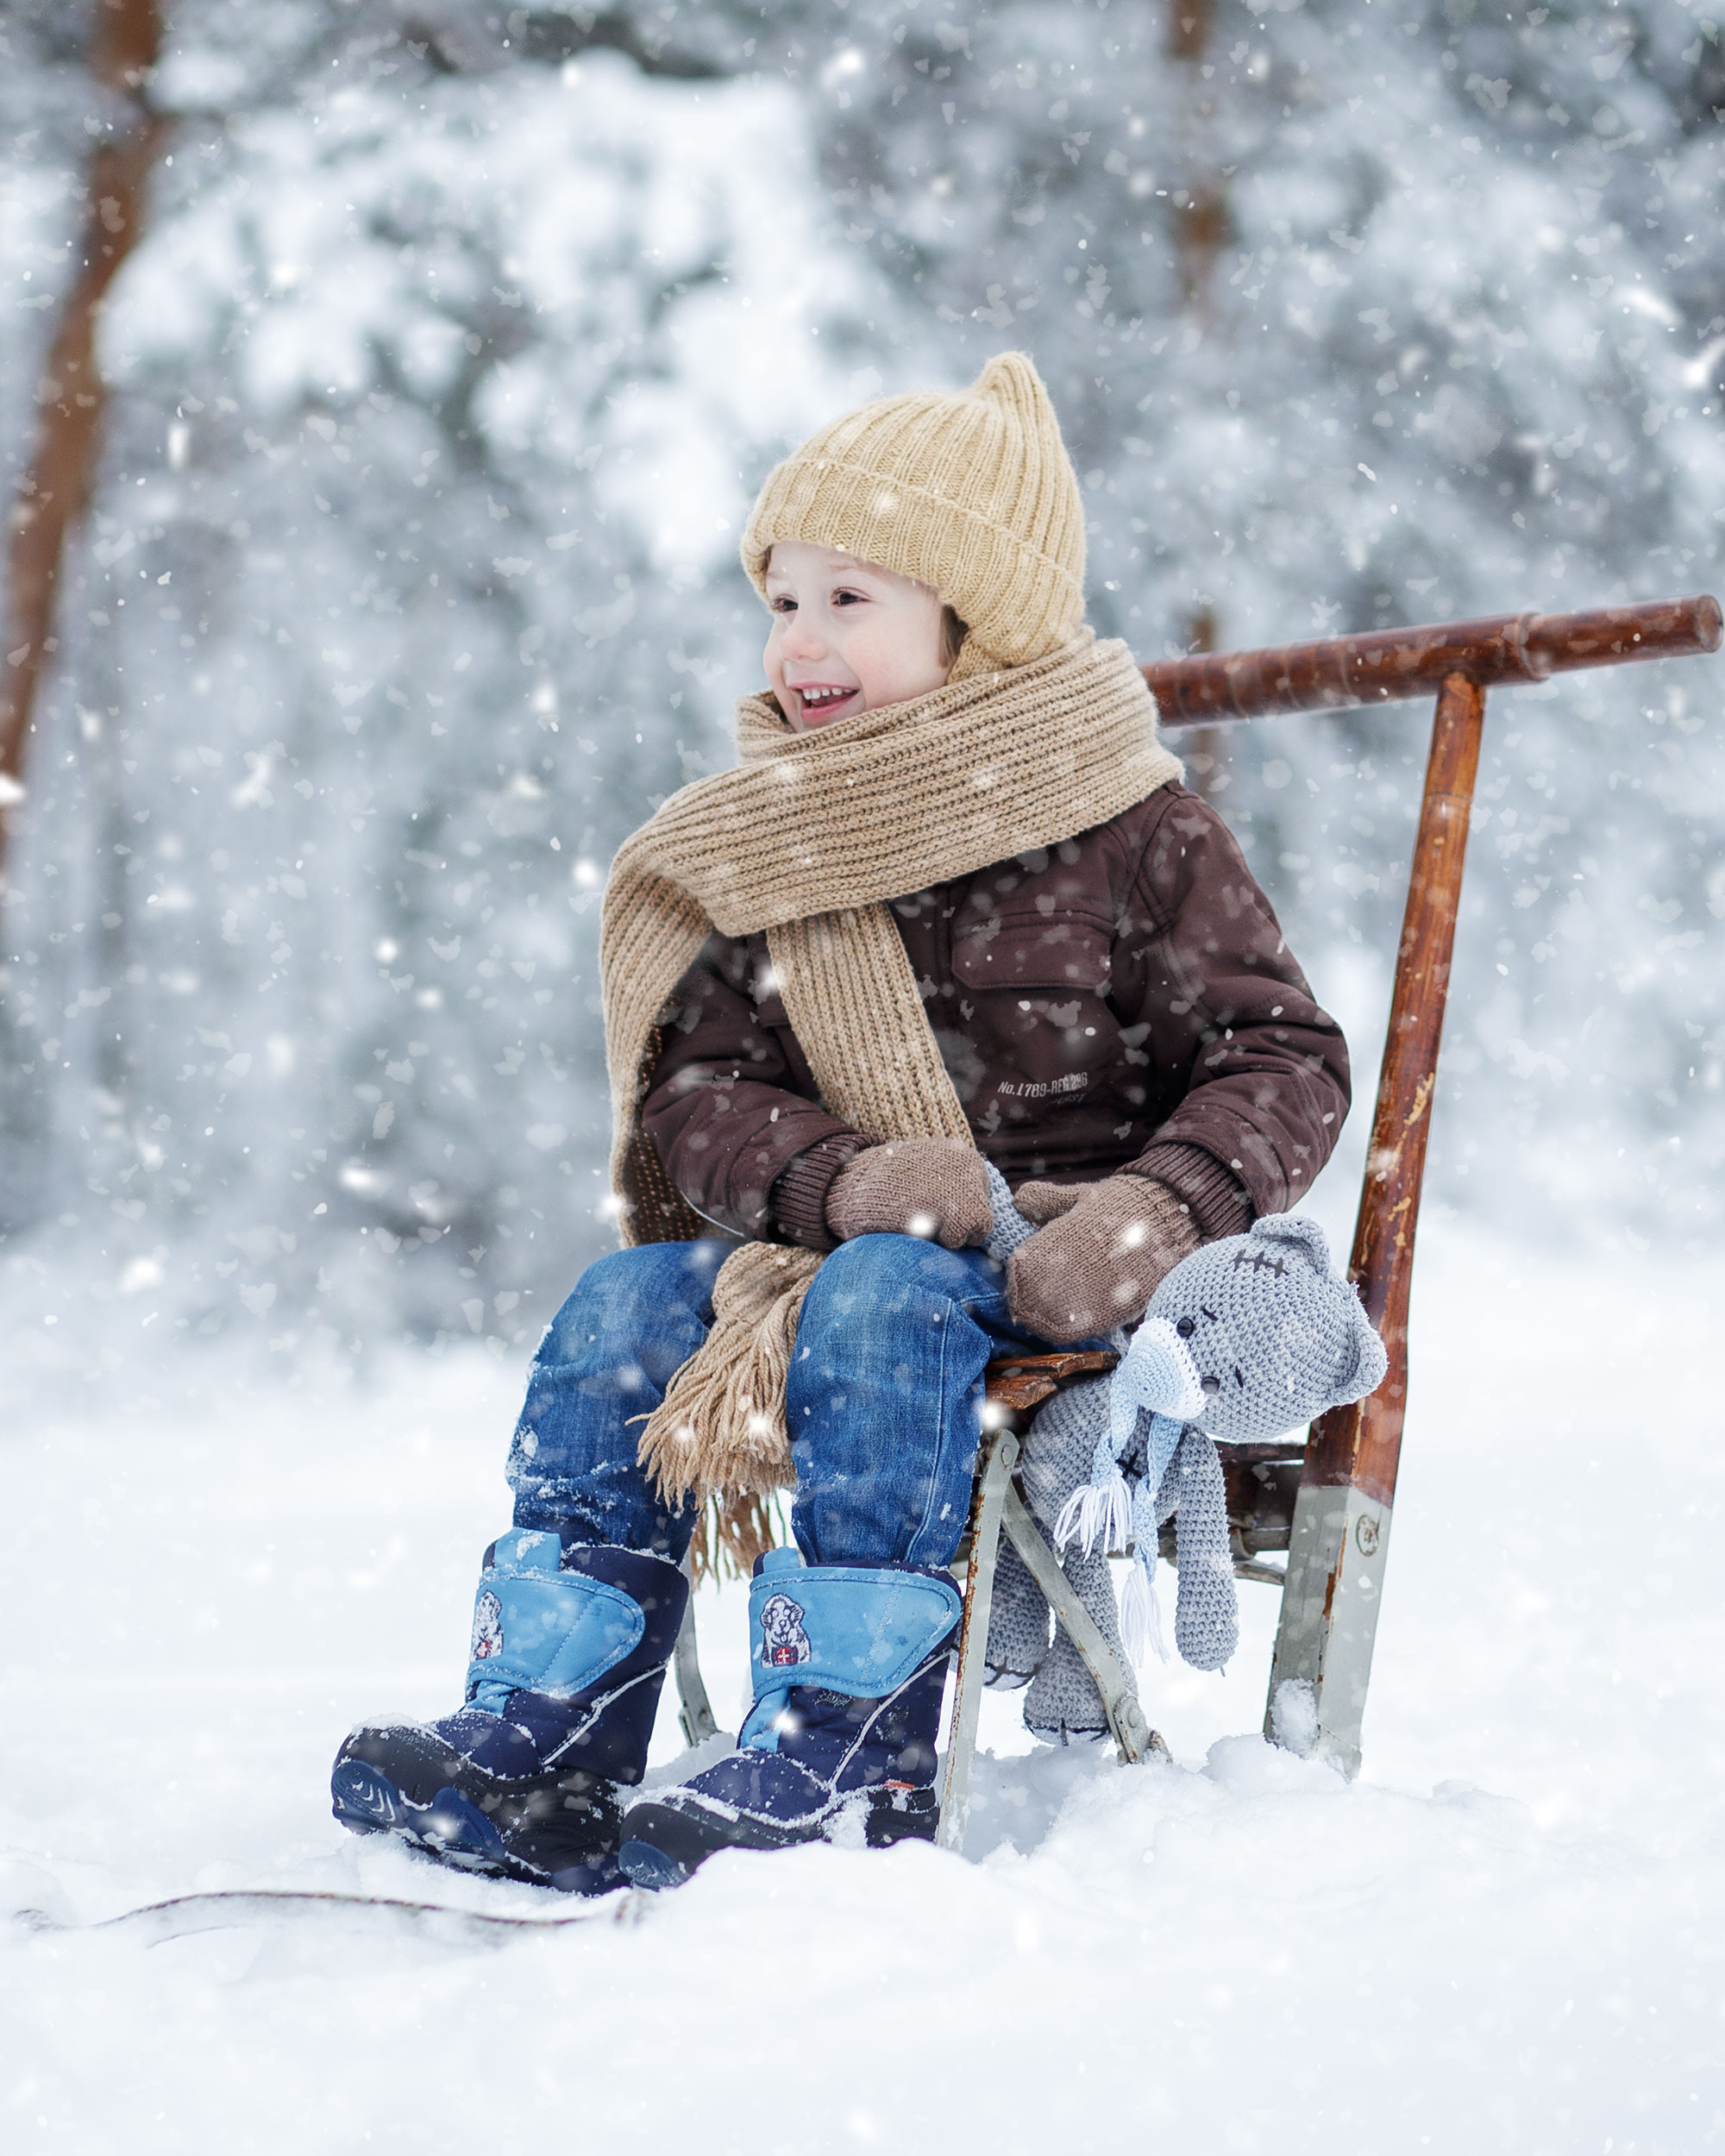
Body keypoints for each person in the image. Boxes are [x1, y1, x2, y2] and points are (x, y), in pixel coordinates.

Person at [329, 353, 1350, 1894]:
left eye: (850, 600)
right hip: (851, 1235)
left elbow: (1281, 1055)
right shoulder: (771, 847)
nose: (799, 642)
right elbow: (702, 1096)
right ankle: (546, 1722)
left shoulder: (1134, 827)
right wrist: (843, 1175)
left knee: (885, 1307)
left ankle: (849, 1744)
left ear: (977, 620)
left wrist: (1141, 1221)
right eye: (782, 598)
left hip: (1061, 1244)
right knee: (620, 1306)